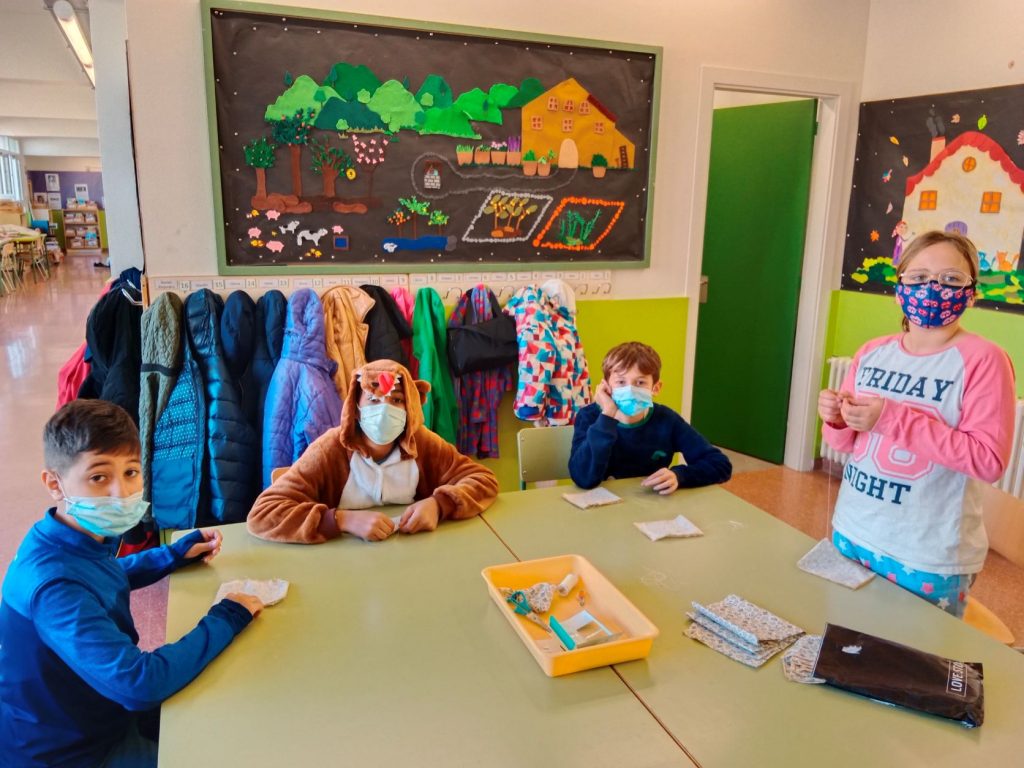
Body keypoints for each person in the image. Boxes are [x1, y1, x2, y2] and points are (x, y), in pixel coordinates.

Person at [0, 400, 263, 768]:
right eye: (99, 477)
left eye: (131, 472)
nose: (121, 492)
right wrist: (227, 617)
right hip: (72, 752)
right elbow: (140, 685)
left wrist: (170, 556)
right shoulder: (53, 588)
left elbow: (96, 575)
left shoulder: (63, 536)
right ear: (54, 484)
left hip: (93, 708)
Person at [819, 230, 1015, 617]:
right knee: (845, 634)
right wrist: (838, 420)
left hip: (928, 555)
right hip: (854, 531)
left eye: (951, 279)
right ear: (899, 289)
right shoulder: (872, 352)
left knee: (913, 652)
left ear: (971, 293)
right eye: (919, 277)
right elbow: (844, 445)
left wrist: (890, 418)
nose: (932, 288)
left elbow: (988, 460)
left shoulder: (984, 360)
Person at [247, 360, 499, 543]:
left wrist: (439, 504)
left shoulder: (422, 443)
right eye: (374, 400)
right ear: (356, 408)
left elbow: (483, 479)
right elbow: (263, 514)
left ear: (410, 408)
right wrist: (341, 520)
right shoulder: (330, 449)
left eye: (397, 400)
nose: (385, 410)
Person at [568, 341, 732, 493]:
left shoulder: (667, 420)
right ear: (605, 386)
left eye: (640, 383)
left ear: (656, 388)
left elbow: (720, 464)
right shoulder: (589, 417)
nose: (630, 390)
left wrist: (680, 476)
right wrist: (607, 416)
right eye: (621, 382)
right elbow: (583, 478)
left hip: (652, 503)